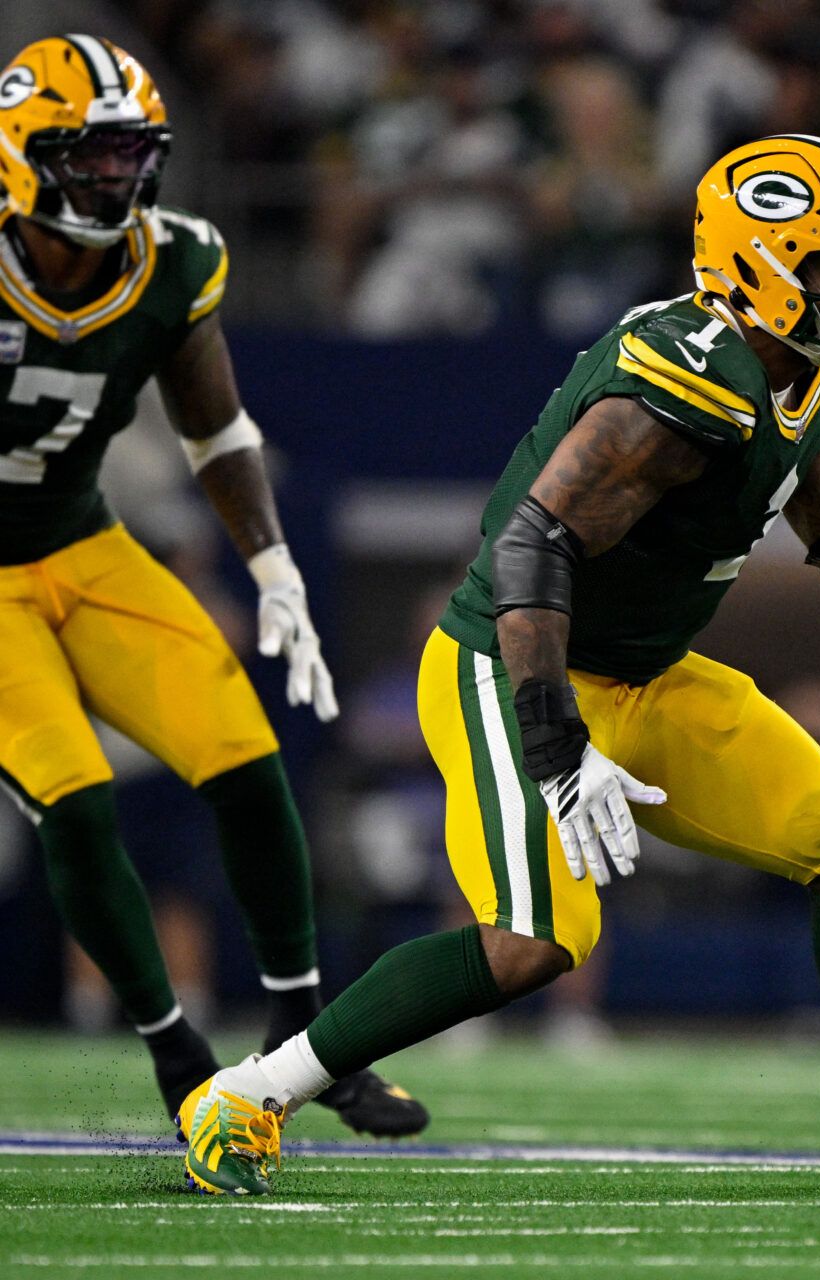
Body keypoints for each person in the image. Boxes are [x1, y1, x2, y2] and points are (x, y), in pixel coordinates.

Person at [178, 133, 820, 1197]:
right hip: (510, 662)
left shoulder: (805, 378)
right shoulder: (690, 374)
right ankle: (249, 1093)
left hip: (645, 676)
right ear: (757, 264)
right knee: (535, 938)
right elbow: (529, 548)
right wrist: (556, 743)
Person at [0, 35, 426, 1136]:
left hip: (85, 545)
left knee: (245, 760)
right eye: (88, 155)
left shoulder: (174, 257)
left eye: (130, 153)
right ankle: (176, 1052)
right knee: (76, 801)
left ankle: (307, 1043)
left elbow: (214, 425)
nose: (115, 177)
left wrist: (273, 566)